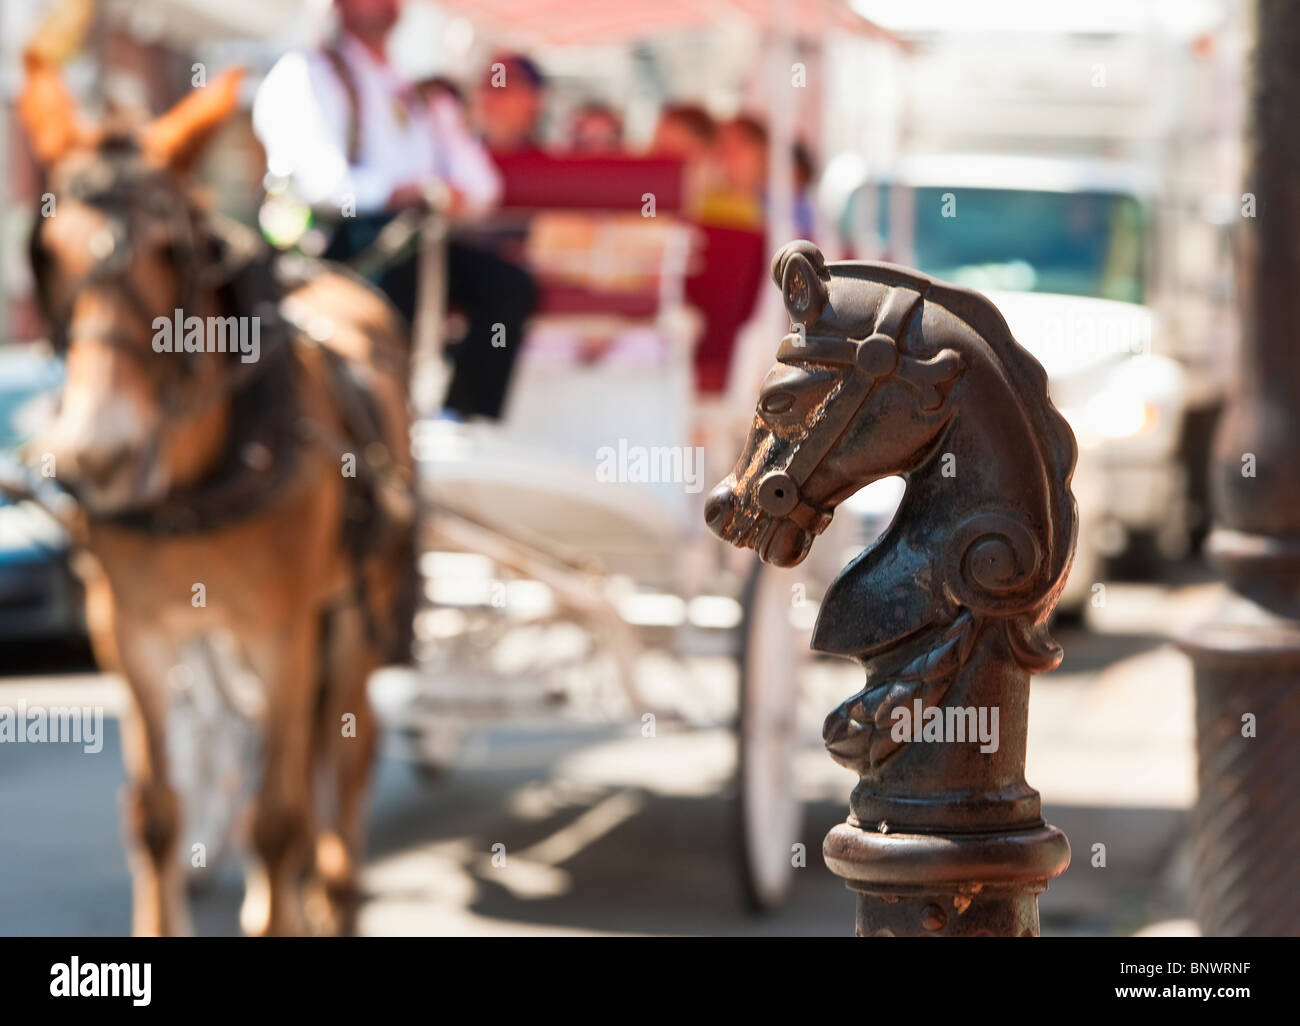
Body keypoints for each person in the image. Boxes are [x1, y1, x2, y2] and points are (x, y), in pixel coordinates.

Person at [253, 0, 536, 421]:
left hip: (420, 243)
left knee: (509, 288)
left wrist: (454, 195)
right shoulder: (307, 74)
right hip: (345, 246)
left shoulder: (420, 92)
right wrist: (395, 192)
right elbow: (315, 179)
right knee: (395, 294)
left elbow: (481, 184)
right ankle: (377, 426)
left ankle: (458, 419)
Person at [475, 52, 547, 155]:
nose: (489, 98)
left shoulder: (559, 163)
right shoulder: (456, 162)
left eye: (501, 89)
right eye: (485, 87)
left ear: (534, 98)